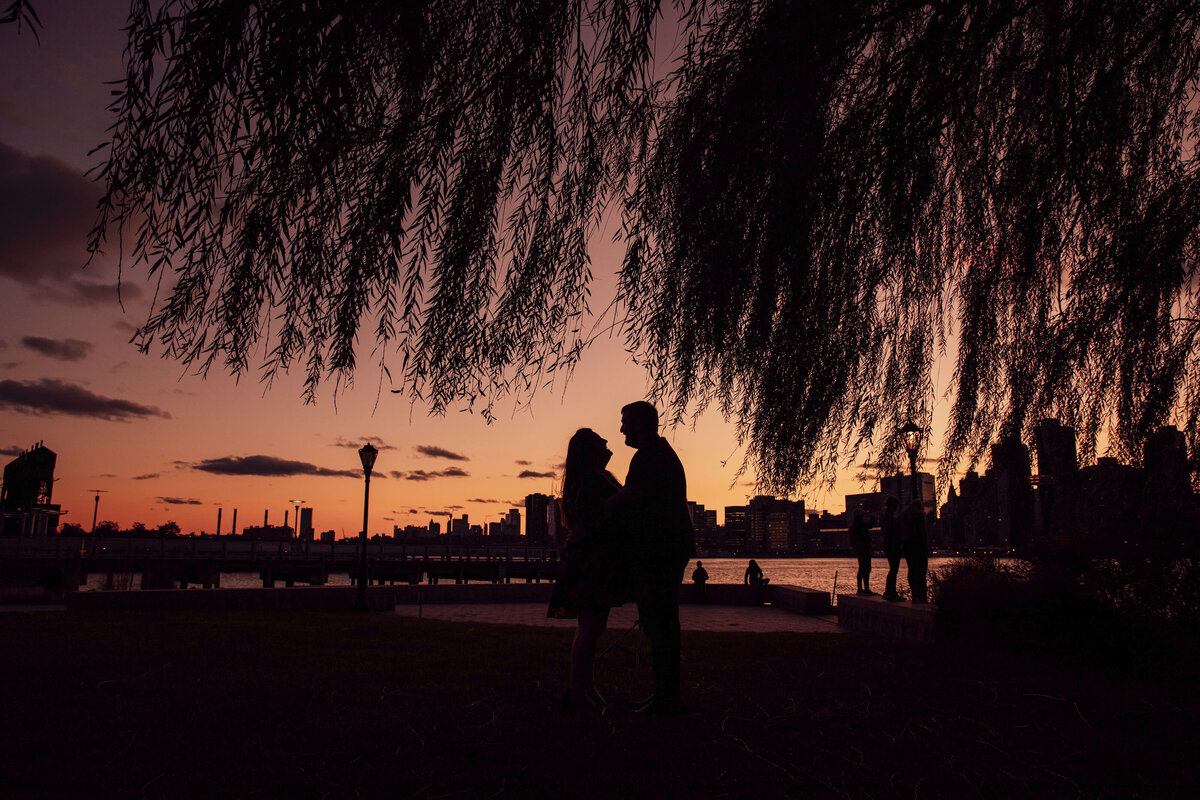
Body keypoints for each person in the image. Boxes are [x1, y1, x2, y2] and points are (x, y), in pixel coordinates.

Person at [605, 401, 695, 715]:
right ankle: (666, 695)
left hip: (660, 551)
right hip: (668, 548)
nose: (621, 429)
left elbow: (632, 504)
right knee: (663, 622)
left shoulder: (648, 458)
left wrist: (607, 507)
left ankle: (666, 699)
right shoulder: (659, 454)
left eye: (624, 422)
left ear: (641, 424)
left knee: (660, 623)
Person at [547, 429, 627, 710]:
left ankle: (585, 685)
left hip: (591, 560)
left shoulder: (585, 481)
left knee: (592, 626)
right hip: (592, 564)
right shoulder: (591, 481)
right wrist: (620, 500)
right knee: (591, 626)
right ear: (590, 451)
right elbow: (598, 516)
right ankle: (576, 689)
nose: (608, 445)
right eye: (601, 443)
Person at [902, 499, 928, 604]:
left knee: (912, 569)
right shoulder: (919, 514)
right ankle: (922, 596)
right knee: (921, 571)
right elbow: (923, 531)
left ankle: (914, 594)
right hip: (919, 544)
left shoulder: (903, 515)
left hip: (907, 544)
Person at [880, 496, 904, 601]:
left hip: (889, 545)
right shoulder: (889, 517)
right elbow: (890, 530)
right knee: (894, 569)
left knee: (893, 569)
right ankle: (890, 592)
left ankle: (890, 591)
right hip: (892, 545)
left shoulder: (887, 516)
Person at [850, 507, 875, 595]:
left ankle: (861, 589)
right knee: (866, 568)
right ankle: (864, 589)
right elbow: (870, 525)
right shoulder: (859, 525)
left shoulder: (856, 525)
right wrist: (873, 517)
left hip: (861, 548)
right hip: (863, 548)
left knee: (863, 568)